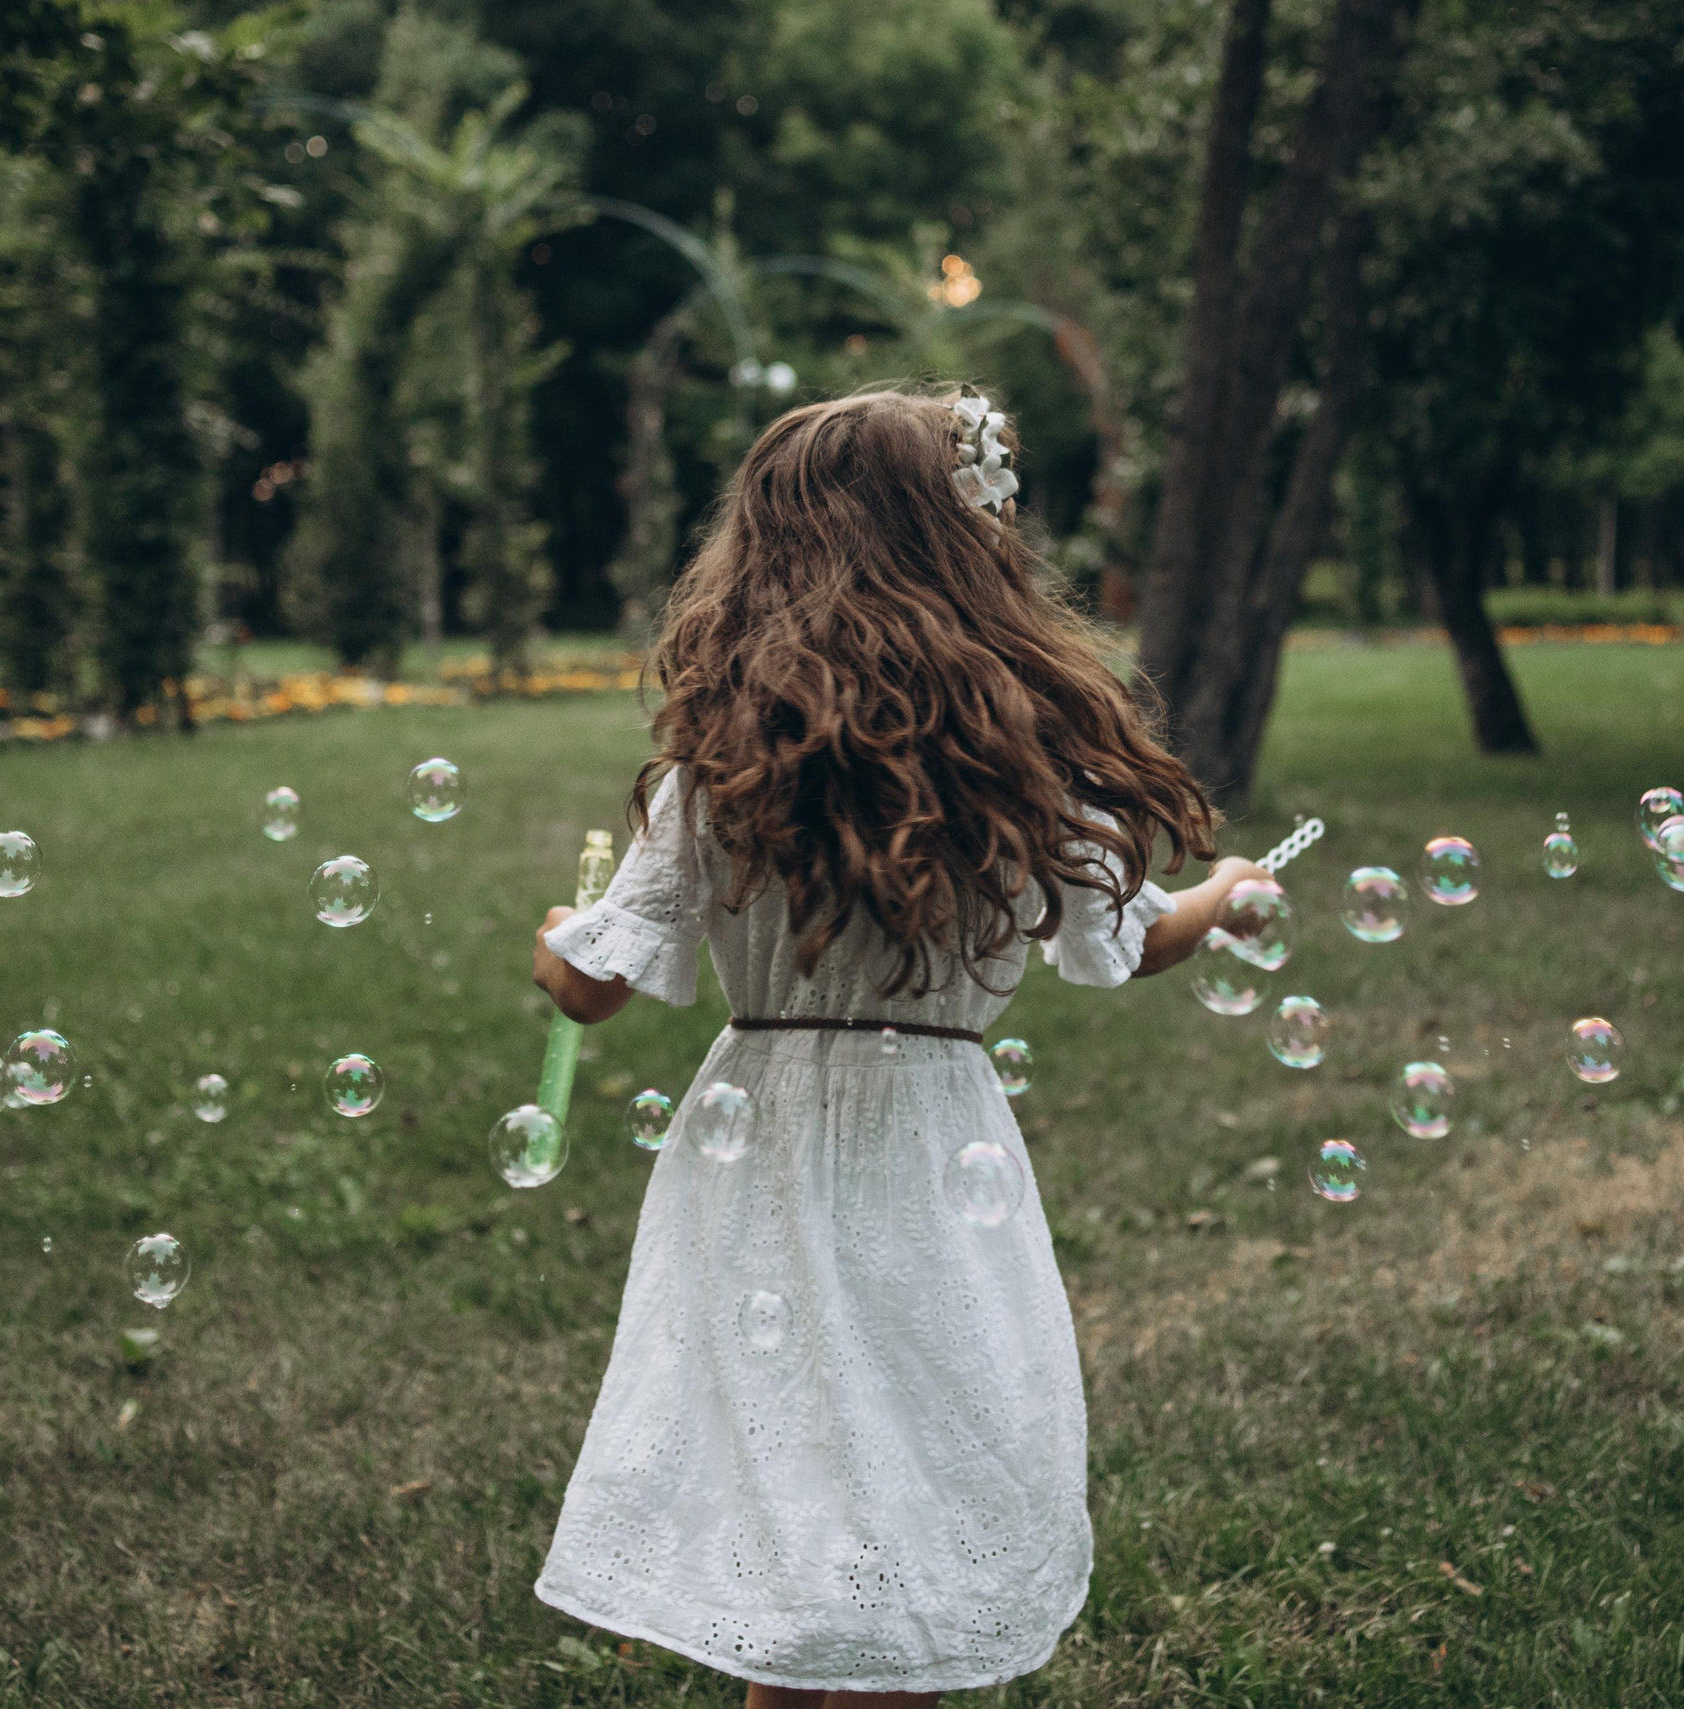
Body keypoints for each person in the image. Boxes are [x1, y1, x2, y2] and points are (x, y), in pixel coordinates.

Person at [528, 386, 1268, 1706]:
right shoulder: (1022, 766)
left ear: (764, 559)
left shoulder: (722, 774)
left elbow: (587, 991)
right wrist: (1226, 897)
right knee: (909, 1463)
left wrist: (552, 939)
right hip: (935, 1145)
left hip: (754, 1151)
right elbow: (1134, 940)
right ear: (970, 551)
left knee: (786, 1481)